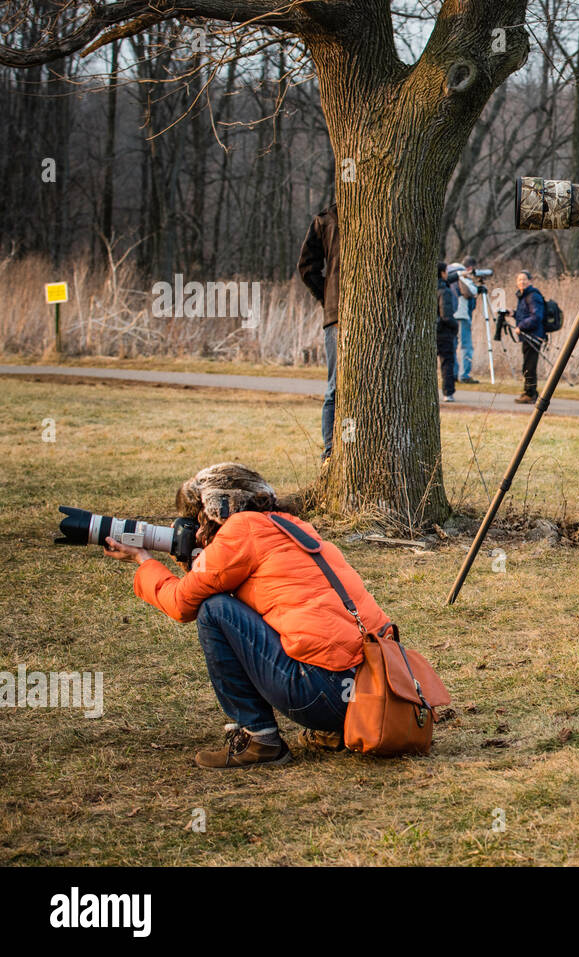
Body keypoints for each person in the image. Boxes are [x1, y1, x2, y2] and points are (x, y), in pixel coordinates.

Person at [101, 463, 391, 769]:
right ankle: (335, 729)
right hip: (373, 691)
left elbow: (181, 604)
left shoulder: (241, 530)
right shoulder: (291, 525)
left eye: (197, 517)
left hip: (320, 693)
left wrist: (143, 559)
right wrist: (194, 562)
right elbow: (256, 602)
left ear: (215, 510)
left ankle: (260, 740)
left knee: (214, 610)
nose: (196, 528)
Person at [296, 202, 339, 462]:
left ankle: (334, 450)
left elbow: (307, 267)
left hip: (338, 314)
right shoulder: (326, 220)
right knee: (336, 387)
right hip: (338, 315)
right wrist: (328, 296)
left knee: (337, 386)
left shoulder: (327, 218)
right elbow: (307, 267)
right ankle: (331, 452)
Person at [513, 271, 547, 403]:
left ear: (530, 281)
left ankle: (530, 394)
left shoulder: (532, 296)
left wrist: (521, 326)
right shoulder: (524, 296)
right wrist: (513, 314)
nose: (521, 282)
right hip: (528, 336)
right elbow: (525, 314)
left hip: (534, 337)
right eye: (519, 280)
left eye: (524, 279)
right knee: (527, 365)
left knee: (529, 366)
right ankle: (530, 392)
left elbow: (536, 317)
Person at [452, 260, 478, 384]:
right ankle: (464, 374)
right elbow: (470, 292)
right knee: (466, 345)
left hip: (449, 315)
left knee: (452, 345)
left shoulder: (447, 277)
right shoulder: (461, 277)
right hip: (462, 315)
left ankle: (453, 373)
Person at [437, 261, 457, 403]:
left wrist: (460, 275)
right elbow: (446, 315)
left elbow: (448, 279)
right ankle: (448, 392)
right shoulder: (445, 292)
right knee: (447, 363)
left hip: (432, 331)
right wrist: (455, 326)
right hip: (444, 332)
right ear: (443, 273)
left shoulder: (426, 288)